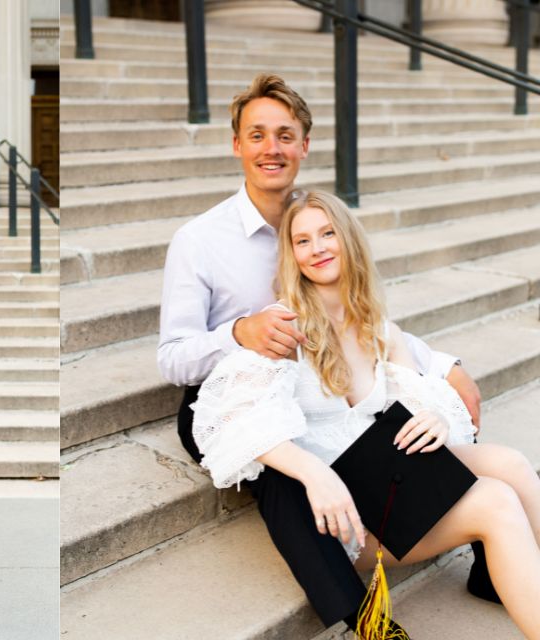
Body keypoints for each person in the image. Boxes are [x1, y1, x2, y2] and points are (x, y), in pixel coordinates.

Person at [156, 73, 492, 631]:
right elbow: (172, 356)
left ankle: (490, 558)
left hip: (317, 378)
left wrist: (442, 366)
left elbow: (355, 309)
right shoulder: (199, 239)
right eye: (257, 135)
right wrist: (239, 332)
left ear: (304, 146)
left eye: (285, 135)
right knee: (286, 469)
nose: (272, 148)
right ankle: (365, 618)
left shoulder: (314, 222)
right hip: (230, 392)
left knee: (435, 410)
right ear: (236, 144)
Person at [192, 189, 540, 639]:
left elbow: (426, 399)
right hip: (348, 516)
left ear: (347, 239)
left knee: (509, 464)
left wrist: (436, 417)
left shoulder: (378, 328)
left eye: (327, 233)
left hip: (389, 480)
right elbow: (230, 420)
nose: (316, 248)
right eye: (302, 241)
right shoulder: (284, 326)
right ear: (292, 255)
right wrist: (316, 476)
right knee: (495, 502)